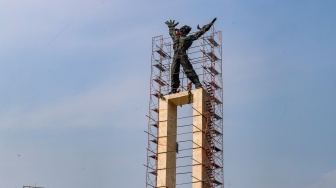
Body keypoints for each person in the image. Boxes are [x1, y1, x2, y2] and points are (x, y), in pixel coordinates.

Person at [165, 18, 217, 94]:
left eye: (183, 29)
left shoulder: (189, 38)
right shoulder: (176, 38)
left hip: (183, 54)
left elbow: (200, 33)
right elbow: (172, 33)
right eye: (181, 29)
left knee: (188, 69)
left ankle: (197, 83)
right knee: (174, 72)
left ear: (185, 31)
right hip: (175, 56)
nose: (181, 30)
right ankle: (173, 89)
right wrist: (171, 27)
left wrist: (209, 25)